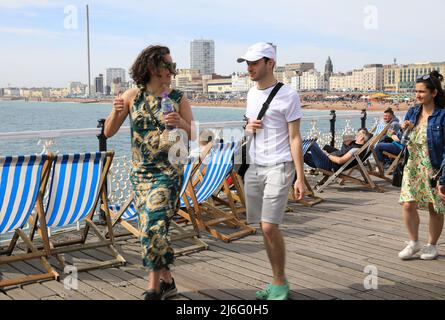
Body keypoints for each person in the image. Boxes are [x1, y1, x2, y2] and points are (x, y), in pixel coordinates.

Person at [103, 45, 193, 300]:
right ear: (153, 68)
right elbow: (108, 132)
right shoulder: (133, 96)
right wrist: (115, 108)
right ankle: (168, 282)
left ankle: (153, 289)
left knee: (153, 222)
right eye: (169, 65)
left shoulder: (178, 98)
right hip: (141, 174)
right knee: (150, 228)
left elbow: (195, 133)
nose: (173, 71)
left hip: (169, 172)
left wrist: (180, 123)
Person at [238, 42, 305, 300]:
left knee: (268, 226)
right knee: (262, 226)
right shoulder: (251, 94)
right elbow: (248, 130)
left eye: (254, 63)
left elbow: (295, 137)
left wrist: (300, 176)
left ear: (270, 63)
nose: (249, 68)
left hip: (280, 164)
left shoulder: (289, 95)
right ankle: (277, 279)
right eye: (247, 63)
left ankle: (279, 284)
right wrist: (248, 128)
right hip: (255, 165)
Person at [398, 70, 445, 261]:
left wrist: (443, 177)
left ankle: (431, 245)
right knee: (408, 205)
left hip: (433, 168)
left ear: (433, 93)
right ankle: (414, 242)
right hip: (413, 166)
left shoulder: (442, 116)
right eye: (416, 92)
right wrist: (404, 130)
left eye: (422, 92)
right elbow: (405, 141)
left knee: (435, 207)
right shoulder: (413, 112)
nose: (417, 95)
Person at [304, 128, 373, 171]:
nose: (356, 135)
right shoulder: (355, 145)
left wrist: (326, 154)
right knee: (301, 155)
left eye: (359, 134)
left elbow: (340, 161)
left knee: (312, 144)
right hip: (325, 162)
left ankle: (296, 145)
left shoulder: (355, 149)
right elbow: (346, 140)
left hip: (327, 164)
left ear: (361, 138)